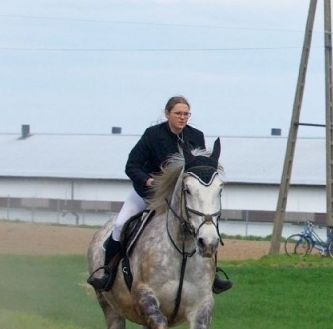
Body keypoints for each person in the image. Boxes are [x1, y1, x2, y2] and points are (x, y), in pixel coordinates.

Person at [88, 96, 231, 294]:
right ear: (167, 114)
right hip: (149, 193)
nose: (182, 118)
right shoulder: (152, 135)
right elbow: (131, 166)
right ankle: (107, 272)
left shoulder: (196, 136)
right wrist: (147, 180)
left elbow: (198, 169)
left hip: (181, 198)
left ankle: (212, 276)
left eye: (186, 114)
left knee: (205, 229)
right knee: (121, 224)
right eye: (178, 113)